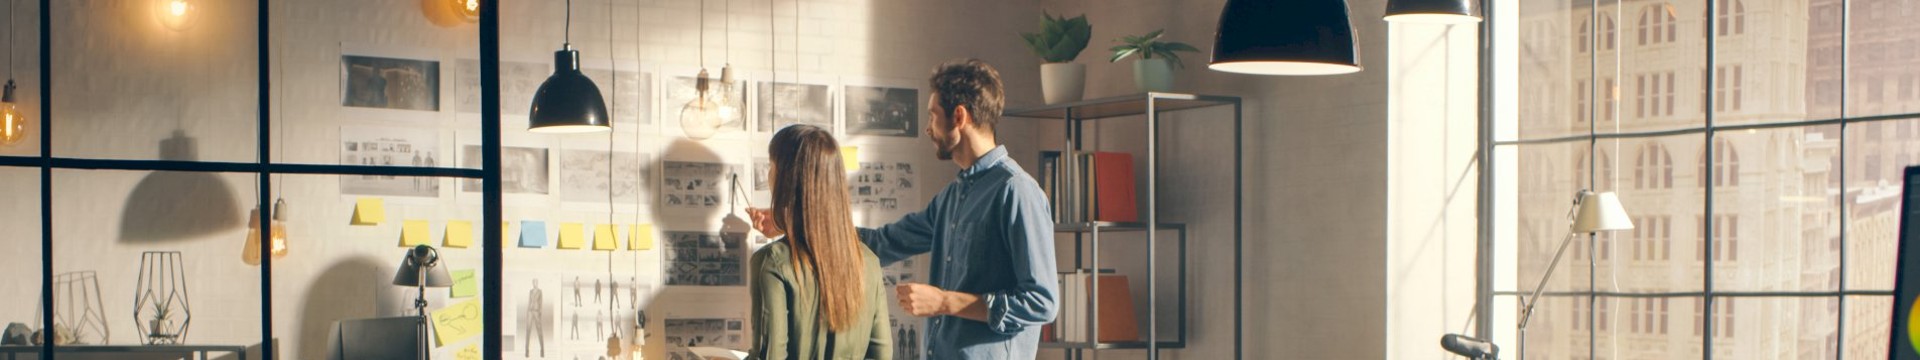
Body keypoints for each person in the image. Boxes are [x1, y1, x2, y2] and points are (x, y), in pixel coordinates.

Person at [753, 59, 1057, 359]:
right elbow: (883, 243)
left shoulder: (1016, 191)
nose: (927, 128)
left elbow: (1041, 302)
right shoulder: (952, 197)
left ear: (959, 117)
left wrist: (944, 302)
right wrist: (794, 224)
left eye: (932, 116)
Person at [745, 124, 892, 360]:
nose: (769, 174)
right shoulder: (868, 261)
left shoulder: (771, 263)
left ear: (784, 177)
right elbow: (882, 355)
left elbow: (770, 356)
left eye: (771, 165)